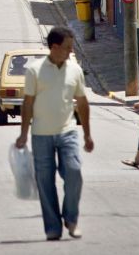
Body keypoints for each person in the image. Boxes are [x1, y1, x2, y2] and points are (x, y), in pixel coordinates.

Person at [16, 27, 93, 241]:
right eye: (67, 48)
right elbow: (27, 103)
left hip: (68, 131)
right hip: (41, 134)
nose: (70, 51)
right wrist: (23, 134)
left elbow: (83, 103)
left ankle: (71, 217)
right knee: (45, 181)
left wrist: (87, 134)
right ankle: (52, 227)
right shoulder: (35, 71)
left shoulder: (74, 70)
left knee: (74, 172)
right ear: (55, 47)